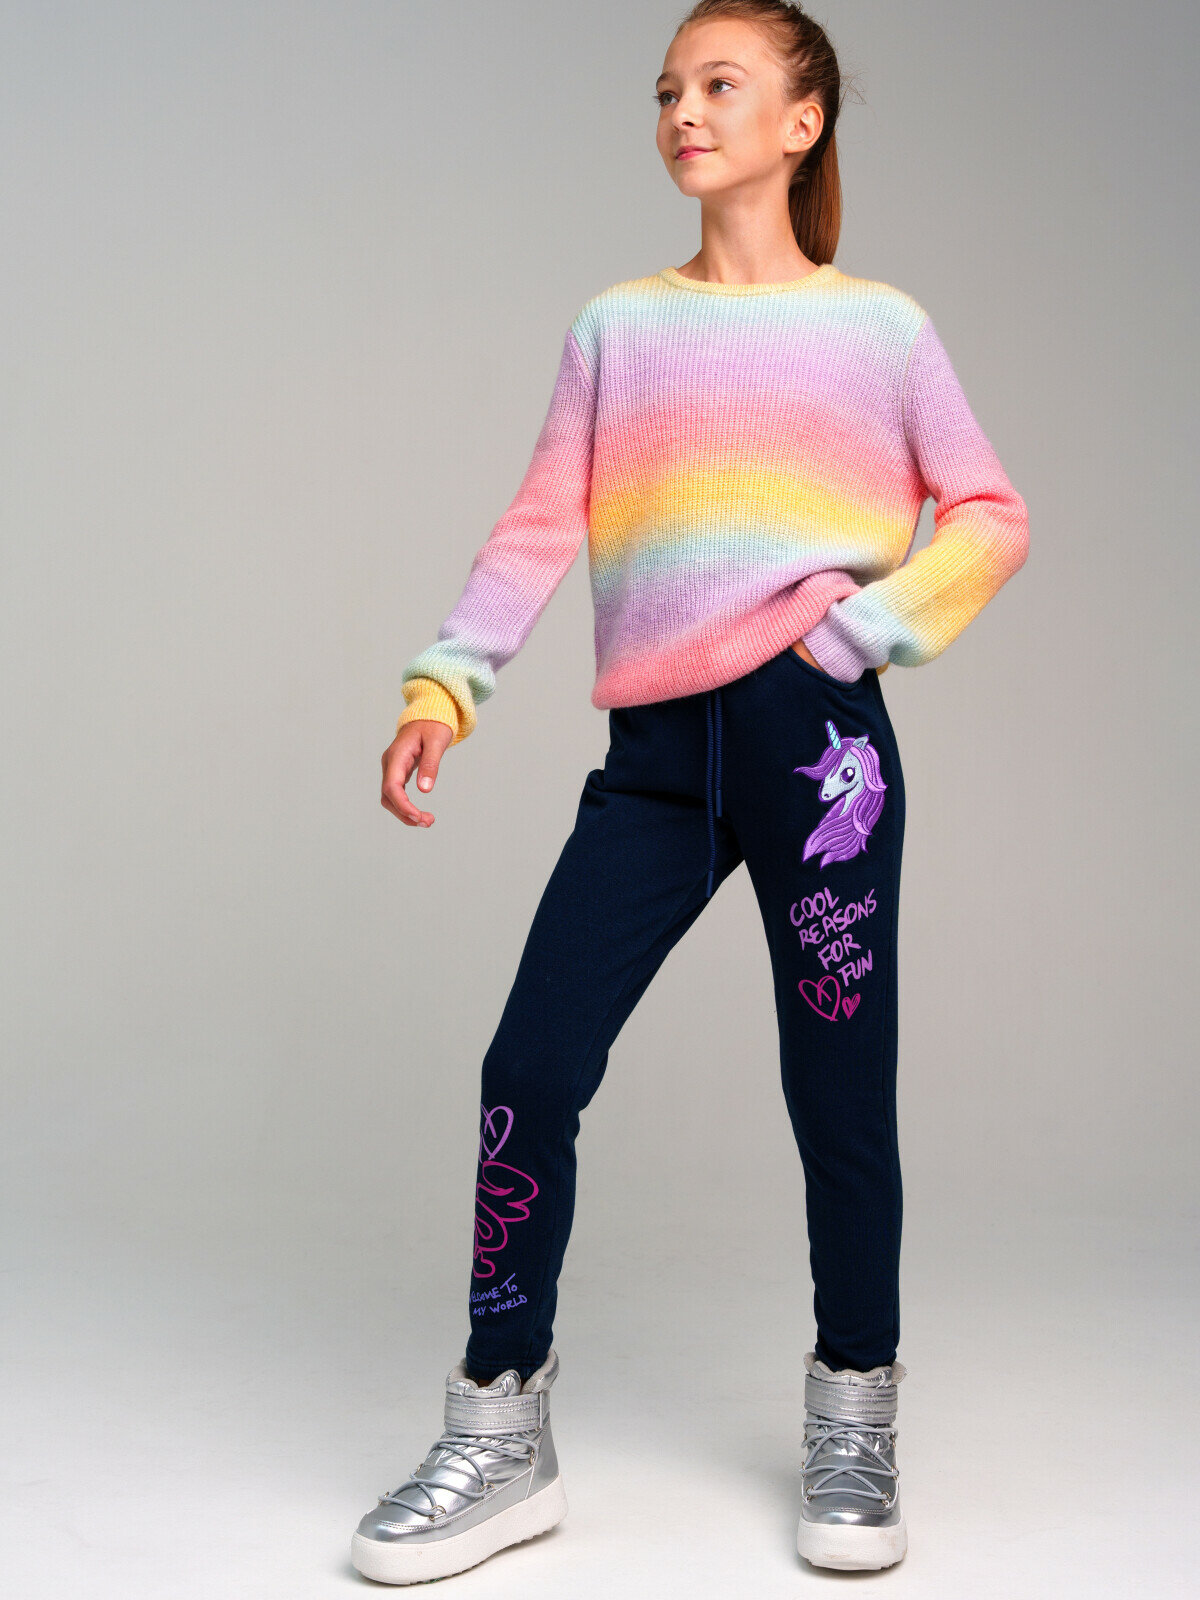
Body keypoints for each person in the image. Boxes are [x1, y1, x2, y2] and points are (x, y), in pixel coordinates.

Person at [353, 0, 1029, 1583]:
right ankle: (499, 1426)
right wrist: (446, 685)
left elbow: (990, 513)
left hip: (818, 754)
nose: (684, 111)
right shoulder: (617, 328)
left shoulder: (882, 331)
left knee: (839, 1097)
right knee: (529, 1066)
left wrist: (858, 635)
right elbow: (542, 524)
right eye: (667, 89)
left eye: (720, 84)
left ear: (803, 121)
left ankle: (855, 1409)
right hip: (654, 764)